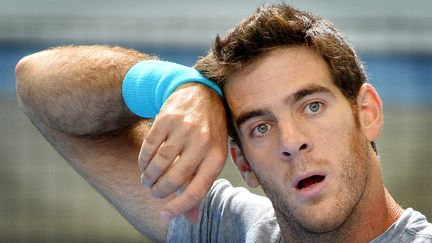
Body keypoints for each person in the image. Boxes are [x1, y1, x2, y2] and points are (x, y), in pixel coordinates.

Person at [15, 3, 431, 243]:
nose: (292, 141)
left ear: (367, 113)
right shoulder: (224, 226)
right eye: (260, 127)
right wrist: (175, 87)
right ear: (243, 163)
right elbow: (35, 81)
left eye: (312, 106)